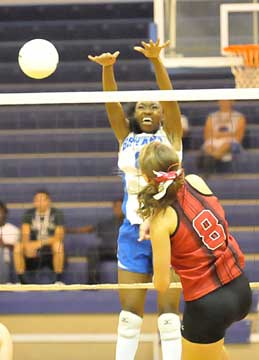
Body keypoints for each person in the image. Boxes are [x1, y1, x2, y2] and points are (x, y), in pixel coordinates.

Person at [89, 39, 183, 360]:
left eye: (153, 106)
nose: (148, 109)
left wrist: (157, 61)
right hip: (133, 231)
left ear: (161, 114)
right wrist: (108, 69)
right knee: (129, 318)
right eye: (141, 106)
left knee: (170, 318)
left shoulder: (171, 136)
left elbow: (170, 99)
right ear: (134, 114)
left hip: (169, 233)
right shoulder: (125, 138)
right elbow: (111, 103)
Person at [137, 141, 252, 360]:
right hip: (240, 288)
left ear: (145, 178)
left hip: (208, 305)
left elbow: (161, 285)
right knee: (213, 353)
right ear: (176, 164)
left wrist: (165, 255)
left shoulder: (161, 221)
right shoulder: (195, 181)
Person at [65, 199, 123, 284]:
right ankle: (93, 281)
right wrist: (69, 230)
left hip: (124, 251)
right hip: (109, 250)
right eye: (116, 206)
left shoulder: (132, 223)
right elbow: (88, 229)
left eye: (121, 206)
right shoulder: (106, 223)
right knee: (93, 251)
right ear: (113, 208)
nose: (118, 208)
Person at [13, 190, 65, 284]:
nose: (39, 202)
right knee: (18, 247)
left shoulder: (57, 213)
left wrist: (38, 244)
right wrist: (28, 246)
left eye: (42, 200)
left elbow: (58, 237)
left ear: (49, 201)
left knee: (59, 246)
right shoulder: (29, 213)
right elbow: (25, 234)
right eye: (36, 200)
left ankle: (58, 281)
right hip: (33, 249)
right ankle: (22, 282)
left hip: (49, 249)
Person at [197, 100, 246, 175]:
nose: (224, 102)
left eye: (227, 100)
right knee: (209, 146)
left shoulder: (239, 117)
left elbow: (238, 137)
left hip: (231, 143)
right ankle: (212, 159)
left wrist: (219, 135)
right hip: (213, 141)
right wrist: (227, 134)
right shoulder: (211, 116)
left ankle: (211, 159)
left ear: (232, 102)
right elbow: (207, 135)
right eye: (222, 100)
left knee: (226, 145)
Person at [0, 201, 20, 283]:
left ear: (5, 213)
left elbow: (14, 248)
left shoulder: (13, 229)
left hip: (6, 259)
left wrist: (2, 244)